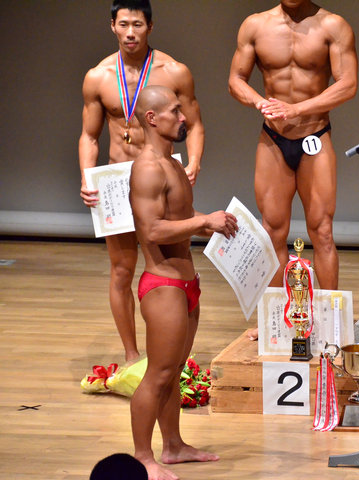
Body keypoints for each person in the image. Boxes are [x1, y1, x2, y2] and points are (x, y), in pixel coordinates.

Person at [78, 0, 204, 362]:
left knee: (174, 263)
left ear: (150, 26)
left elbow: (194, 123)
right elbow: (89, 136)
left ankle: (171, 354)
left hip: (161, 179)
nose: (130, 32)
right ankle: (133, 355)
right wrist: (87, 176)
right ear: (112, 26)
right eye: (123, 24)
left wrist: (194, 162)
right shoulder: (98, 76)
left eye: (137, 24)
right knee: (121, 270)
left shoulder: (174, 72)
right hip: (118, 179)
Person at [128, 85, 236, 480]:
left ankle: (172, 447)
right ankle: (143, 458)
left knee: (174, 371)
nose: (184, 117)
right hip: (163, 286)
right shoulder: (148, 168)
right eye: (175, 111)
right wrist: (204, 221)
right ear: (152, 118)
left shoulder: (172, 163)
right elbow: (152, 229)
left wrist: (210, 224)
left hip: (186, 283)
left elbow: (178, 215)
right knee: (158, 374)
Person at [228, 0, 357, 297]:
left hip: (315, 135)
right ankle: (276, 315)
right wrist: (259, 102)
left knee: (322, 231)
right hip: (274, 139)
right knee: (271, 231)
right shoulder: (255, 25)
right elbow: (235, 80)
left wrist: (297, 109)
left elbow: (348, 84)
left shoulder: (333, 26)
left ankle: (330, 313)